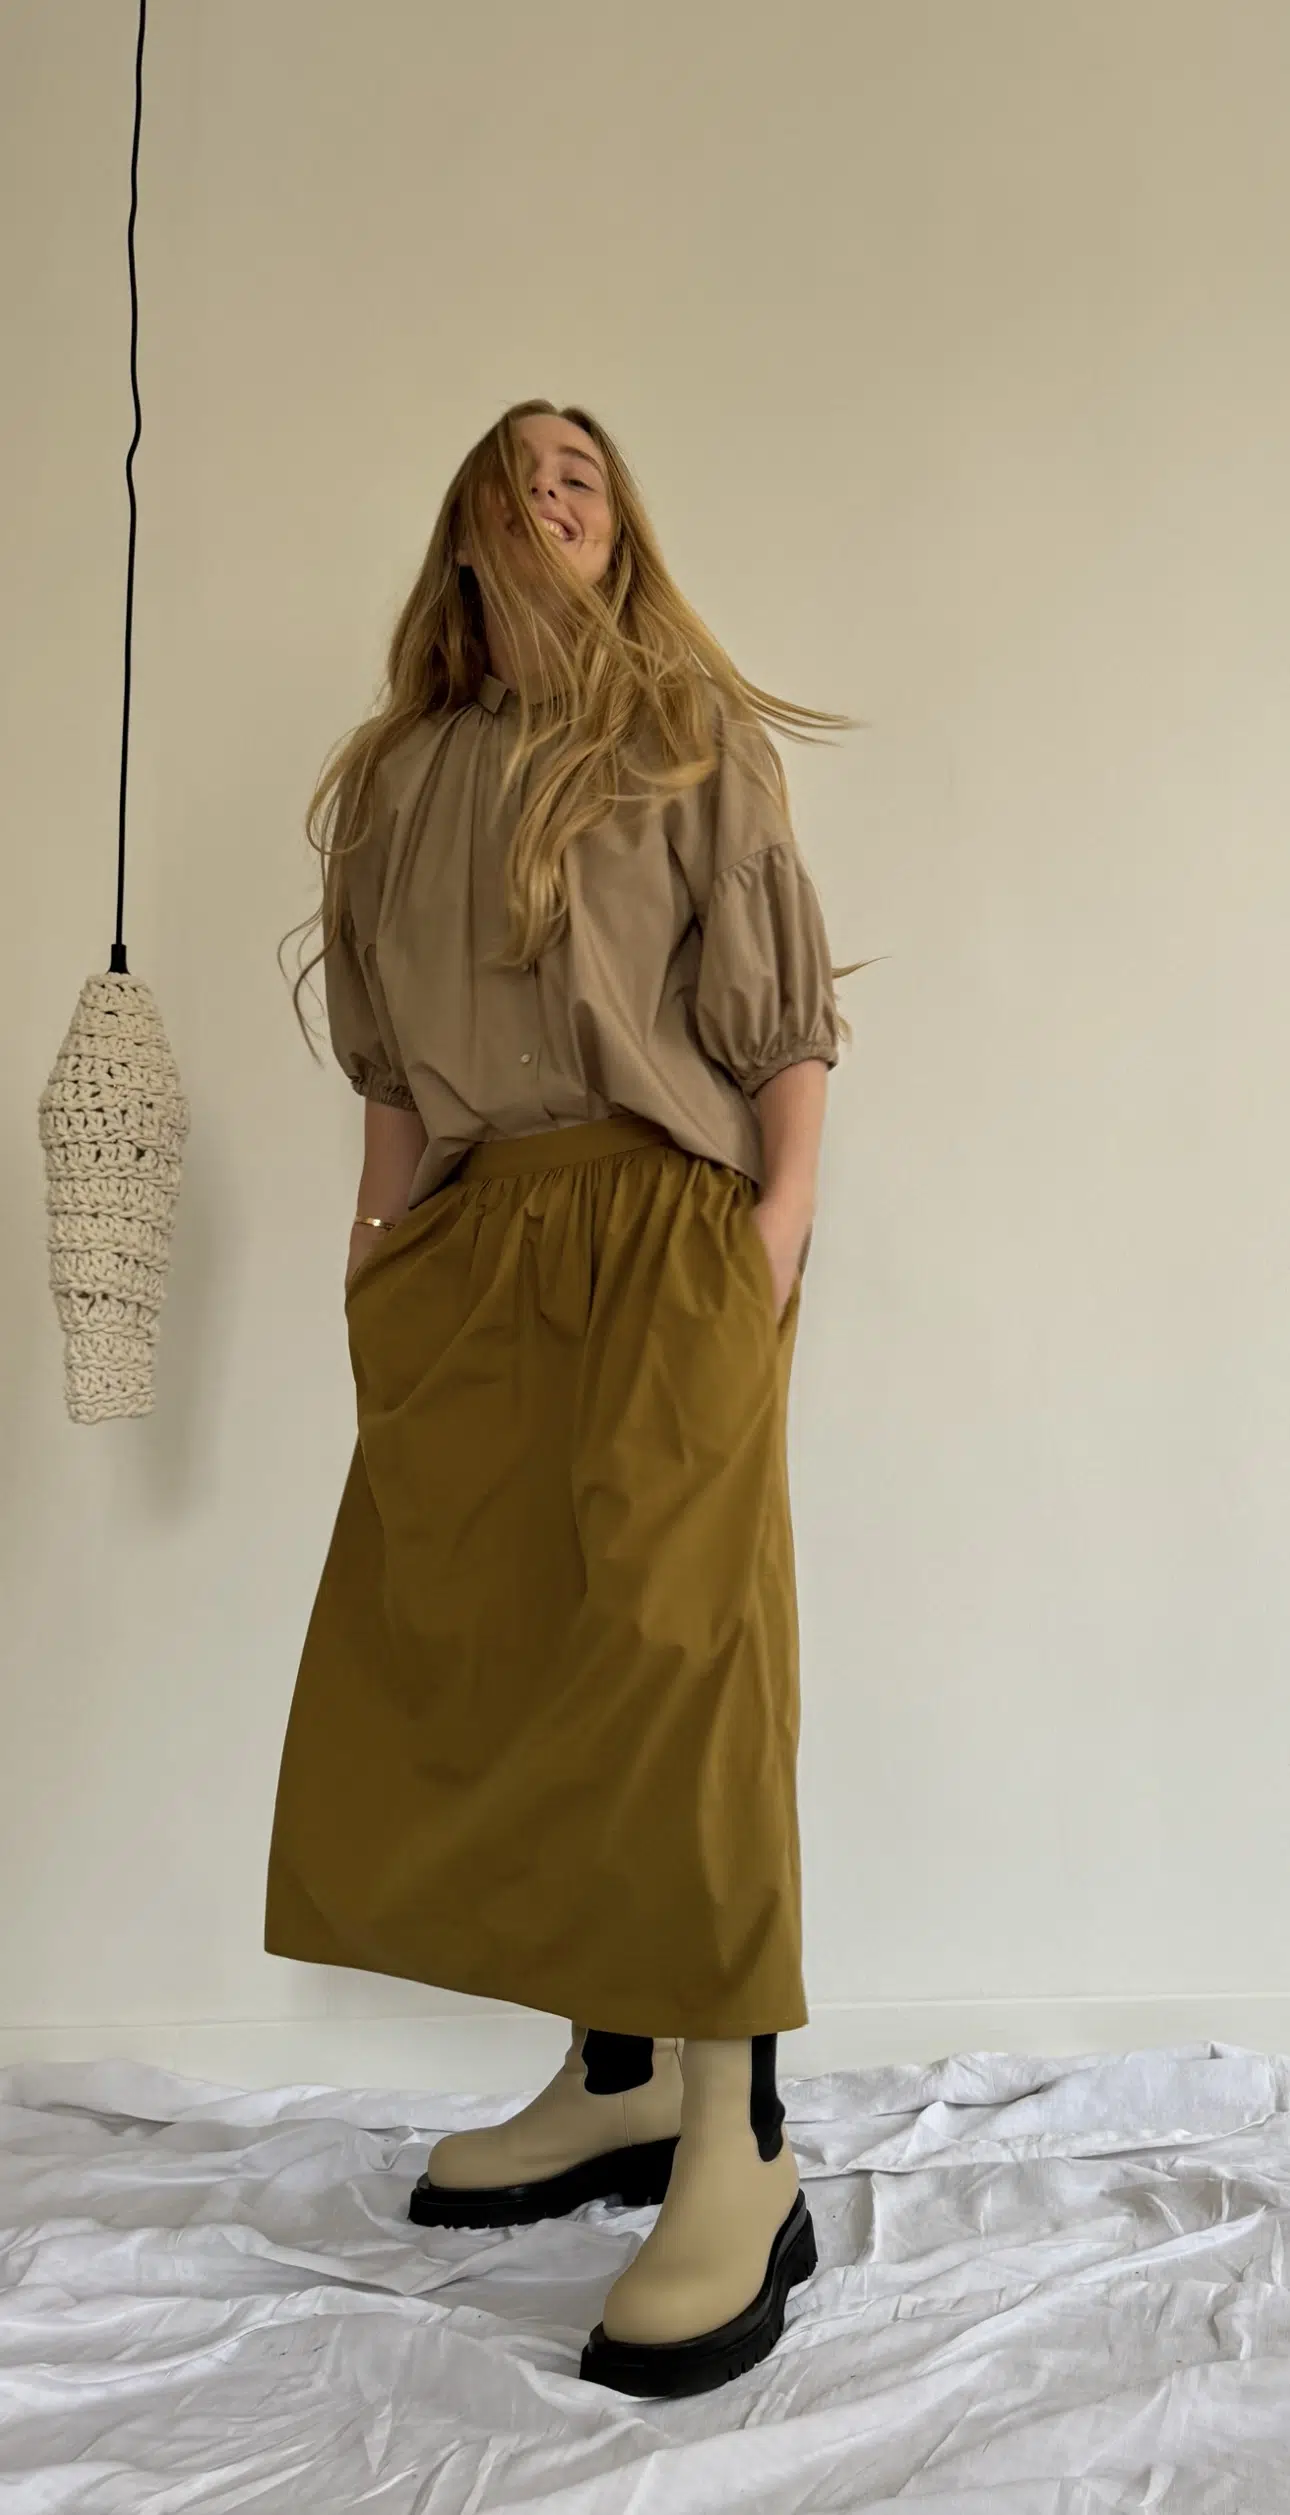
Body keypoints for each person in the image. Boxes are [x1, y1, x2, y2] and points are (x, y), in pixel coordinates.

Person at [265, 399, 861, 2399]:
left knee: (687, 1658)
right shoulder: (398, 778)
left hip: (665, 1217)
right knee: (522, 1649)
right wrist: (375, 1257)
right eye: (520, 468)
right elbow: (386, 1066)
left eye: (583, 470)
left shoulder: (689, 735)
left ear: (619, 529)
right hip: (472, 1237)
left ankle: (739, 2134)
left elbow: (781, 1019)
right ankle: (617, 2073)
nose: (552, 484)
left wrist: (775, 1227)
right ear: (467, 528)